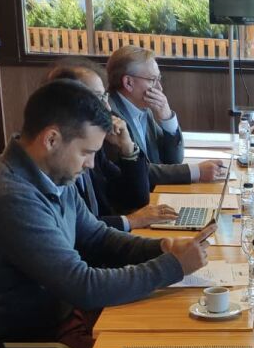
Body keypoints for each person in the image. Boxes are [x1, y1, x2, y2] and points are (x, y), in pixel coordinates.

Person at [0, 79, 214, 348]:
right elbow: (83, 286)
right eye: (86, 152)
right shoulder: (10, 197)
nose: (90, 164)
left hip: (61, 319)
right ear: (51, 139)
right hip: (28, 347)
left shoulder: (50, 173)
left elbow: (97, 237)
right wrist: (173, 267)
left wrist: (161, 248)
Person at [44, 58, 178, 231]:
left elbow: (135, 199)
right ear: (66, 104)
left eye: (105, 96)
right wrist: (130, 221)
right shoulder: (56, 157)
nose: (107, 107)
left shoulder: (95, 146)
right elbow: (77, 230)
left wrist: (127, 148)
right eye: (98, 98)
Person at [106, 45, 225, 186]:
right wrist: (196, 171)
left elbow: (173, 159)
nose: (160, 88)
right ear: (128, 82)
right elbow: (137, 171)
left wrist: (167, 117)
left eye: (159, 79)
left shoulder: (144, 109)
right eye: (152, 80)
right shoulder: (110, 115)